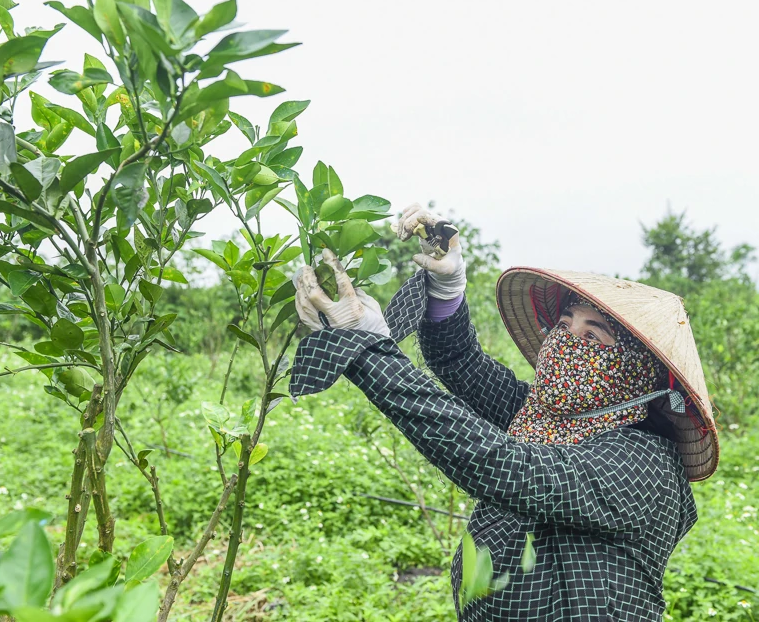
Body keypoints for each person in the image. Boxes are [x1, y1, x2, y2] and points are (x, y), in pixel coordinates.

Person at [290, 203, 719, 621]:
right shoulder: (542, 419)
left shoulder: (644, 465)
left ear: (639, 369)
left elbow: (498, 462)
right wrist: (446, 290)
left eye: (594, 334)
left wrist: (369, 352)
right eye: (565, 324)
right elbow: (461, 363)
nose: (568, 342)